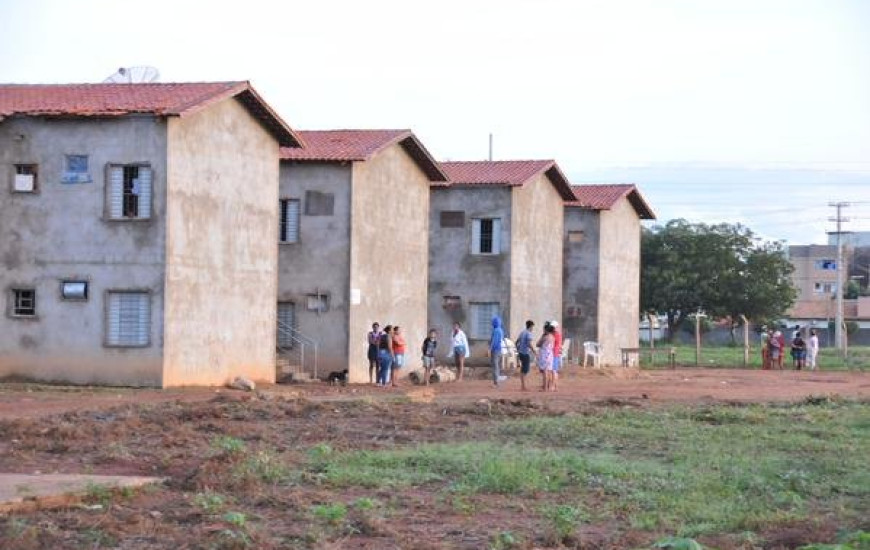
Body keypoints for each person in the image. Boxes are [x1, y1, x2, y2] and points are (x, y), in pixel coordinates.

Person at [515, 320, 535, 391]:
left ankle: (523, 385)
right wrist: (534, 351)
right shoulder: (529, 334)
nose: (533, 329)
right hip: (525, 353)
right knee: (525, 370)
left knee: (523, 369)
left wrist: (518, 349)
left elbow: (517, 341)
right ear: (531, 326)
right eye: (532, 327)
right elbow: (529, 344)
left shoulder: (522, 332)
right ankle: (523, 386)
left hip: (521, 353)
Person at [536, 323, 556, 391]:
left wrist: (542, 336)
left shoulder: (545, 337)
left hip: (544, 355)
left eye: (544, 329)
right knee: (549, 371)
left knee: (545, 372)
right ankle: (549, 387)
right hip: (550, 355)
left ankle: (545, 388)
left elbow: (537, 344)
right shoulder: (552, 337)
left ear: (546, 330)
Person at [488, 316, 506, 387]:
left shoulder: (496, 330)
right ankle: (497, 381)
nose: (492, 323)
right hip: (500, 350)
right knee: (497, 366)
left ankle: (496, 383)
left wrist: (489, 349)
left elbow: (494, 341)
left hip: (495, 350)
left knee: (495, 366)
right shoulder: (500, 330)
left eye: (493, 322)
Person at [551, 321, 563, 392]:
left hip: (554, 354)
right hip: (555, 353)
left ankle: (554, 386)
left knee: (554, 371)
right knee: (554, 371)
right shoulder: (556, 334)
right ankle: (554, 386)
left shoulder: (555, 334)